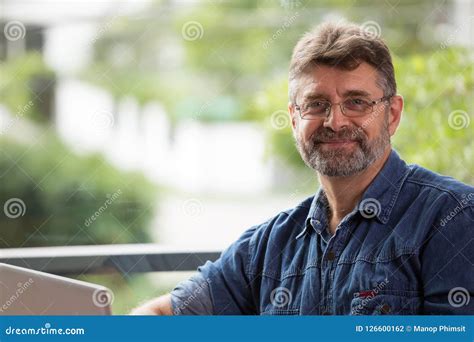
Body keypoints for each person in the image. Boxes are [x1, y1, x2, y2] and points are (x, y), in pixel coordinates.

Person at [131, 21, 474, 315]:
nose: (335, 121)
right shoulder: (268, 246)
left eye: (356, 102)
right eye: (316, 104)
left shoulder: (453, 217)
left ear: (392, 114)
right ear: (294, 118)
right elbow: (164, 313)